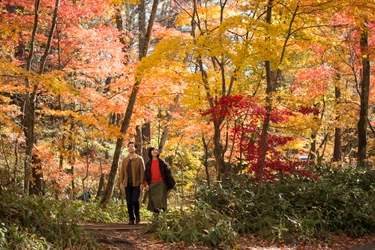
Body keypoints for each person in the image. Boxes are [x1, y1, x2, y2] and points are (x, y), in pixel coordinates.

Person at [119, 142, 145, 225]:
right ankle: (131, 218)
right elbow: (122, 172)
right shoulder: (125, 160)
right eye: (129, 146)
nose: (130, 148)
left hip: (136, 183)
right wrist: (121, 182)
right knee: (128, 201)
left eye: (132, 146)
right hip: (127, 183)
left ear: (135, 148)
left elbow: (142, 172)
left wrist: (142, 183)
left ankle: (137, 215)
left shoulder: (139, 159)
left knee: (134, 200)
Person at [144, 146, 176, 215]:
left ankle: (161, 216)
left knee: (159, 200)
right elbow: (146, 175)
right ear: (150, 152)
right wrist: (146, 184)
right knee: (153, 201)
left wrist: (173, 183)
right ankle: (156, 218)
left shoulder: (162, 163)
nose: (155, 151)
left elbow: (168, 173)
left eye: (156, 150)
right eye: (153, 150)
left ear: (158, 152)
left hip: (161, 183)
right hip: (151, 184)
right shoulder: (148, 164)